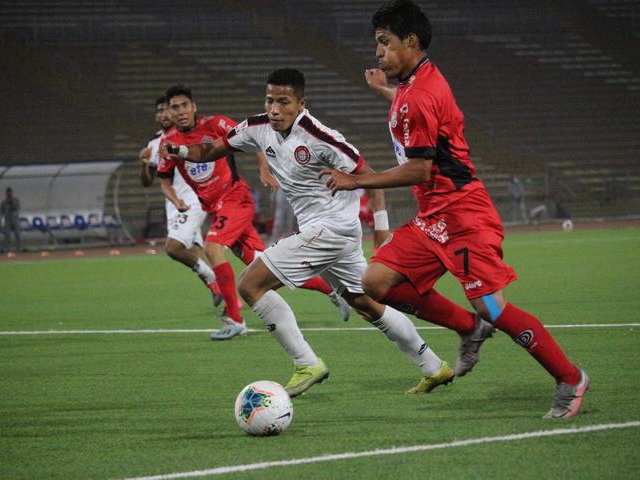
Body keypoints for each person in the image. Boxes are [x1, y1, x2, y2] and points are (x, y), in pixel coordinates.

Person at [321, 0, 589, 419]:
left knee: (493, 307)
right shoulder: (415, 84)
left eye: (384, 42)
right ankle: (468, 328)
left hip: (464, 216)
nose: (378, 51)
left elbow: (419, 169)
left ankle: (569, 378)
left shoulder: (419, 94)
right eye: (377, 42)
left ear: (410, 41)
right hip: (434, 217)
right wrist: (385, 91)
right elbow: (413, 111)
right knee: (375, 282)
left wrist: (357, 181)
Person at [163, 68, 456, 397]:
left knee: (250, 283)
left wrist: (381, 232)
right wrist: (181, 152)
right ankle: (434, 366)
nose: (274, 109)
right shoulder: (257, 128)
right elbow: (209, 150)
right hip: (327, 232)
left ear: (301, 104)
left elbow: (371, 178)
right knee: (366, 304)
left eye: (283, 102)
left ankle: (306, 363)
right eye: (270, 100)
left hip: (332, 228)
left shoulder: (319, 136)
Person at [157, 85, 350, 341]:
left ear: (193, 106)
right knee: (264, 266)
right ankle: (332, 289)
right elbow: (164, 179)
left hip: (235, 198)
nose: (180, 111)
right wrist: (176, 199)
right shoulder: (168, 143)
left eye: (184, 105)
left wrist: (264, 168)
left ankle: (235, 320)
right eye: (175, 107)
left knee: (212, 248)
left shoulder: (215, 124)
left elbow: (252, 138)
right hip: (215, 208)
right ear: (169, 112)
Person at [140, 96, 223, 310]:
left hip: (193, 198)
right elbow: (148, 181)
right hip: (173, 203)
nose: (164, 114)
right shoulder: (154, 143)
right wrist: (144, 164)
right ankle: (221, 290)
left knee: (174, 247)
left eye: (167, 109)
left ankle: (217, 283)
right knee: (192, 251)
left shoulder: (187, 134)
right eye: (159, 111)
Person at [0, 187, 23, 253]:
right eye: (8, 193)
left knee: (18, 234)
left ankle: (19, 248)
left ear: (12, 193)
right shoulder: (4, 202)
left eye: (10, 193)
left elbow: (18, 208)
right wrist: (1, 221)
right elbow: (1, 212)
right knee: (7, 235)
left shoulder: (16, 200)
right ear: (6, 194)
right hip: (7, 220)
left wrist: (11, 202)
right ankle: (7, 248)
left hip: (15, 219)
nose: (9, 194)